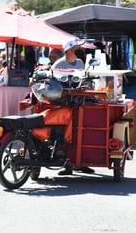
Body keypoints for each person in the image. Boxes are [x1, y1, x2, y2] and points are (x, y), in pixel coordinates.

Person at [51, 39, 94, 175]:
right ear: (69, 50)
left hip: (79, 100)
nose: (78, 51)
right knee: (66, 131)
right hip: (64, 102)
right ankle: (67, 163)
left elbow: (81, 80)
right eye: (76, 48)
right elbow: (55, 84)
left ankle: (82, 162)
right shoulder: (59, 64)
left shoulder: (80, 63)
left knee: (82, 130)